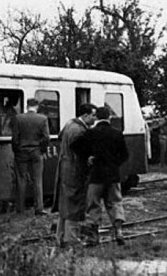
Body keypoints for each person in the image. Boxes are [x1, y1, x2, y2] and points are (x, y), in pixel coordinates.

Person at [72, 106, 129, 246]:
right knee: (115, 202)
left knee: (93, 204)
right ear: (109, 117)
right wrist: (114, 163)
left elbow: (75, 146)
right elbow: (125, 155)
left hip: (96, 174)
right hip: (113, 175)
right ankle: (119, 231)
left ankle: (93, 237)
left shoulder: (91, 133)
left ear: (96, 117)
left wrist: (89, 157)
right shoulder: (117, 133)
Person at [52, 103, 97, 247]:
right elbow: (80, 152)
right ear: (85, 115)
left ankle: (60, 237)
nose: (95, 119)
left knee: (64, 204)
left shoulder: (69, 123)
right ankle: (71, 239)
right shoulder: (79, 130)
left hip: (64, 167)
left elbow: (60, 137)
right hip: (75, 170)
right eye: (93, 115)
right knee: (75, 205)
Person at [11, 98, 50, 215]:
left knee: (21, 179)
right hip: (36, 151)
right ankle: (39, 208)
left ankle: (20, 208)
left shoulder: (19, 118)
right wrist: (42, 150)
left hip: (21, 151)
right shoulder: (42, 119)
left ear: (27, 106)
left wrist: (16, 150)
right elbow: (46, 137)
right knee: (37, 180)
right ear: (36, 106)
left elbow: (15, 138)